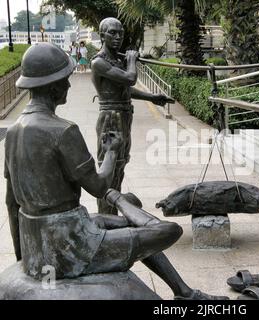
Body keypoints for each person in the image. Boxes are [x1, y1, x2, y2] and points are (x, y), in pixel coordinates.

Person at [5, 42, 227, 300]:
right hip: (71, 249)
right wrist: (111, 151)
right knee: (167, 231)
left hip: (43, 245)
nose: (68, 85)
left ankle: (184, 292)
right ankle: (123, 203)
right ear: (53, 86)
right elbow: (99, 186)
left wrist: (24, 260)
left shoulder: (12, 132)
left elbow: (11, 203)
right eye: (65, 80)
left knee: (119, 224)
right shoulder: (63, 130)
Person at [91, 17, 174, 215]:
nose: (118, 37)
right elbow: (129, 78)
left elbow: (126, 91)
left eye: (120, 33)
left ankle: (113, 214)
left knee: (120, 165)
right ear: (102, 35)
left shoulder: (117, 60)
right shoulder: (99, 62)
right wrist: (130, 60)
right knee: (108, 170)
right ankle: (105, 218)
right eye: (112, 32)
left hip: (124, 116)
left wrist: (152, 97)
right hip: (110, 118)